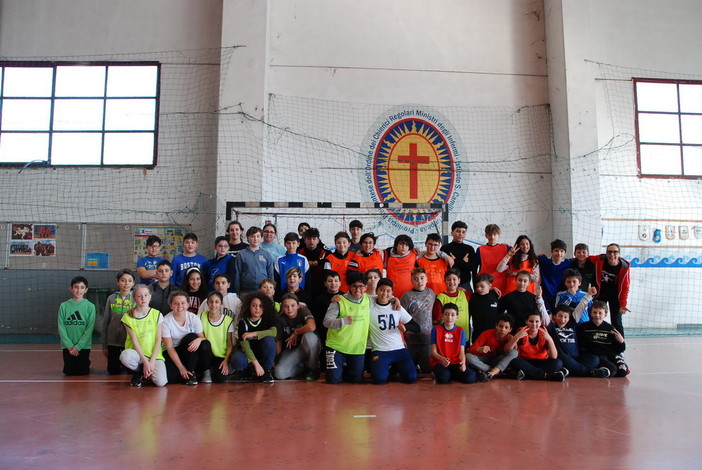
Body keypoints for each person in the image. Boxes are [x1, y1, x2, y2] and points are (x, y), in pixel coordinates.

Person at [368, 279, 419, 384]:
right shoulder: (369, 305)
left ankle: (395, 368)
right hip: (380, 350)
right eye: (382, 290)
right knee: (379, 380)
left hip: (399, 349)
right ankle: (388, 369)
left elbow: (416, 327)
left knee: (411, 377)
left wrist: (405, 327)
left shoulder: (397, 307)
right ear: (377, 290)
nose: (384, 294)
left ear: (392, 293)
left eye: (388, 291)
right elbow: (357, 296)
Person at [323, 270, 371, 384]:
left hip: (356, 347)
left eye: (361, 287)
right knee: (333, 380)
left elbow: (384, 299)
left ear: (365, 287)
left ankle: (343, 369)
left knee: (356, 380)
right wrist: (343, 321)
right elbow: (326, 322)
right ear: (349, 286)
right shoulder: (339, 301)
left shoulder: (368, 299)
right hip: (336, 345)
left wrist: (395, 300)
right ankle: (337, 369)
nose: (358, 290)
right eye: (354, 286)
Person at [120, 285, 167, 387]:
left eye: (146, 295)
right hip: (138, 355)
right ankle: (139, 371)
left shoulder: (157, 314)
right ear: (134, 298)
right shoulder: (127, 316)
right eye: (139, 296)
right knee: (125, 356)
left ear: (150, 296)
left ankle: (146, 373)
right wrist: (145, 362)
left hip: (154, 355)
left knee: (161, 382)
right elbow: (134, 341)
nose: (143, 298)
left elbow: (159, 340)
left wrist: (152, 361)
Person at [547, 305, 610, 378]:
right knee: (564, 361)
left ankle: (575, 370)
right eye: (560, 316)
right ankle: (590, 372)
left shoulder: (571, 325)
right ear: (554, 316)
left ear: (569, 318)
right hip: (564, 357)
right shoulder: (552, 327)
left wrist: (589, 295)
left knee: (595, 359)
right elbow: (544, 314)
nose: (562, 319)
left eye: (565, 317)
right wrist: (539, 298)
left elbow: (580, 309)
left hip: (577, 357)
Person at [162, 291, 210, 385]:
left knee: (193, 337)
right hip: (173, 351)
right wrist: (181, 367)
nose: (180, 306)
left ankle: (191, 372)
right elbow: (169, 347)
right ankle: (184, 372)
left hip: (189, 350)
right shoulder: (166, 321)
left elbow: (202, 337)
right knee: (171, 379)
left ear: (188, 304)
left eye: (183, 303)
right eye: (176, 303)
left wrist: (199, 339)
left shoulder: (193, 318)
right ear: (171, 306)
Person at [232, 291, 278, 382]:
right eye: (254, 305)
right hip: (246, 353)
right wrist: (256, 364)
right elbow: (246, 347)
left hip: (261, 352)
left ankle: (267, 370)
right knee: (237, 359)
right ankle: (247, 369)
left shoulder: (267, 319)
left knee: (269, 340)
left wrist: (254, 334)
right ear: (249, 306)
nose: (257, 309)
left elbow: (274, 332)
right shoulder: (243, 322)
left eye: (260, 306)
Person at [274, 293, 320, 381]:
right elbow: (278, 342)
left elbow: (311, 326)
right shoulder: (279, 319)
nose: (289, 309)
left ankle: (313, 368)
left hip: (308, 346)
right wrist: (276, 360)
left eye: (292, 305)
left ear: (298, 306)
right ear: (282, 307)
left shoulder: (303, 311)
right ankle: (303, 368)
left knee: (309, 336)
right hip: (293, 350)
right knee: (279, 373)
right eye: (286, 306)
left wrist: (296, 332)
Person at [506, 312, 564, 381]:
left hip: (541, 362)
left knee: (558, 363)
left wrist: (550, 340)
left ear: (540, 322)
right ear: (526, 322)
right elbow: (507, 350)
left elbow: (554, 356)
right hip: (525, 361)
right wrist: (516, 337)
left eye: (537, 321)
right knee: (515, 361)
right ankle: (546, 375)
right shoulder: (521, 332)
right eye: (531, 321)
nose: (534, 324)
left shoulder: (544, 333)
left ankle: (527, 374)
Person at [577, 300, 629, 377]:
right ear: (591, 313)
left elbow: (620, 349)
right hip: (594, 355)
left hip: (609, 354)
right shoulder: (584, 327)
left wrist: (621, 341)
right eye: (595, 312)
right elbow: (579, 344)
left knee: (622, 371)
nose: (597, 315)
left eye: (600, 313)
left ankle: (602, 368)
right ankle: (597, 370)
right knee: (613, 369)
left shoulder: (610, 329)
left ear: (605, 314)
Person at [589, 243, 631, 337]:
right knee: (595, 318)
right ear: (606, 253)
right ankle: (594, 340)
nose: (612, 254)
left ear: (619, 254)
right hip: (600, 294)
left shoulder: (624, 267)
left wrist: (623, 304)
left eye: (615, 252)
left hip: (615, 297)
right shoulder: (600, 260)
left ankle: (620, 345)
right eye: (609, 252)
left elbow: (625, 288)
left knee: (616, 321)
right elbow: (585, 258)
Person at [58, 276, 96, 376]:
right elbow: (61, 327)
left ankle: (86, 361)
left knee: (82, 372)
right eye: (76, 287)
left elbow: (89, 329)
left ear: (86, 290)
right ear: (71, 288)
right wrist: (70, 346)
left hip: (83, 346)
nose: (79, 290)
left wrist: (78, 347)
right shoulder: (64, 306)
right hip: (68, 346)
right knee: (69, 372)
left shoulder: (90, 306)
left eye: (82, 287)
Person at [199, 291, 240, 383]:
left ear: (221, 304)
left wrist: (226, 361)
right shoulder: (201, 316)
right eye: (211, 302)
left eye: (216, 302)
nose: (213, 305)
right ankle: (206, 371)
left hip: (221, 355)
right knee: (204, 344)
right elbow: (200, 336)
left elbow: (230, 344)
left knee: (220, 379)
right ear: (207, 303)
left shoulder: (228, 320)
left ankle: (221, 367)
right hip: (207, 354)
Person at [400, 267, 436, 373]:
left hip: (427, 339)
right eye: (415, 279)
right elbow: (400, 317)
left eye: (421, 278)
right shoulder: (406, 296)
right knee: (409, 371)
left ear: (426, 279)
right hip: (411, 339)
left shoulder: (431, 293)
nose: (419, 281)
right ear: (411, 281)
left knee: (427, 370)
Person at [431, 303, 476, 384]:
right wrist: (442, 359)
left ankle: (450, 374)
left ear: (457, 317)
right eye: (446, 314)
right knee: (443, 379)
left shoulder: (461, 331)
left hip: (455, 362)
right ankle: (445, 374)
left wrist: (463, 364)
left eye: (452, 315)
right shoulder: (435, 329)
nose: (449, 317)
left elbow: (462, 352)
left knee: (471, 377)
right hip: (440, 362)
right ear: (442, 316)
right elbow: (434, 353)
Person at [102, 268, 135, 375]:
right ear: (117, 282)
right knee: (113, 371)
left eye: (130, 280)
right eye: (123, 280)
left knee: (131, 371)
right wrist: (104, 345)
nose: (126, 283)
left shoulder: (136, 299)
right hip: (113, 341)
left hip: (129, 341)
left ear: (133, 283)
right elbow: (106, 321)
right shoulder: (111, 298)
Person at [466, 314, 518, 381]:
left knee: (514, 352)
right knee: (468, 356)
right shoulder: (486, 334)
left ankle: (490, 372)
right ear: (496, 325)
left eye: (506, 327)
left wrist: (514, 340)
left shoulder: (510, 338)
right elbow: (470, 350)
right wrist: (479, 349)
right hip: (484, 360)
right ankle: (495, 372)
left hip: (498, 361)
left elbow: (514, 355)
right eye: (500, 326)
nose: (503, 330)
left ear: (510, 329)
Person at [233, 226, 275, 295]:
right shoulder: (241, 254)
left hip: (263, 291)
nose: (255, 239)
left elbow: (270, 274)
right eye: (252, 236)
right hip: (245, 291)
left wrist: (271, 290)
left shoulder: (266, 255)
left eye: (258, 236)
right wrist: (237, 292)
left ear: (261, 238)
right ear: (248, 238)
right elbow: (237, 274)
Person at [433, 269, 470, 342]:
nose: (452, 282)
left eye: (454, 279)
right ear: (445, 281)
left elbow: (481, 294)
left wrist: (492, 289)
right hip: (447, 338)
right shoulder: (441, 297)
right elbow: (436, 320)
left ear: (459, 281)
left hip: (463, 336)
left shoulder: (465, 294)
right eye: (448, 279)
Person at [537, 239, 573, 313]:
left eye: (562, 251)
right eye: (556, 250)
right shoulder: (543, 261)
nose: (559, 253)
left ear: (565, 253)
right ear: (551, 251)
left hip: (561, 297)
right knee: (547, 319)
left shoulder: (568, 263)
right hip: (546, 296)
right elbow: (529, 256)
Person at [441, 220, 477, 291]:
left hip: (465, 284)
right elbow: (445, 268)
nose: (460, 234)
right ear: (452, 233)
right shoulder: (445, 248)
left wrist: (455, 261)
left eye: (463, 232)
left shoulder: (469, 249)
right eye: (458, 231)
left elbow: (473, 268)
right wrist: (464, 263)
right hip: (449, 284)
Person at [475, 224, 510, 293]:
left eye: (494, 234)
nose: (492, 237)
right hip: (485, 286)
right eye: (490, 234)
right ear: (486, 235)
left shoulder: (506, 248)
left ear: (498, 235)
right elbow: (475, 268)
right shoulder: (480, 249)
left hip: (503, 284)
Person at [298, 227, 330, 296]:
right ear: (304, 240)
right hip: (303, 288)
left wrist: (320, 261)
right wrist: (306, 263)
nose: (311, 241)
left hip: (321, 288)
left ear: (318, 240)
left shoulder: (325, 254)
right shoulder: (299, 254)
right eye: (309, 239)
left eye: (314, 239)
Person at [469, 273, 500, 343]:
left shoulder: (496, 295)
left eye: (482, 286)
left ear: (489, 286)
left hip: (492, 332)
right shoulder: (473, 297)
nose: (479, 289)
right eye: (477, 286)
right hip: (478, 332)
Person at [384, 234, 417, 300]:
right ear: (396, 245)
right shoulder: (387, 255)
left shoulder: (414, 255)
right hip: (393, 295)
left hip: (411, 295)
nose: (403, 247)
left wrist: (443, 255)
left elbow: (430, 254)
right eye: (401, 244)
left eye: (406, 245)